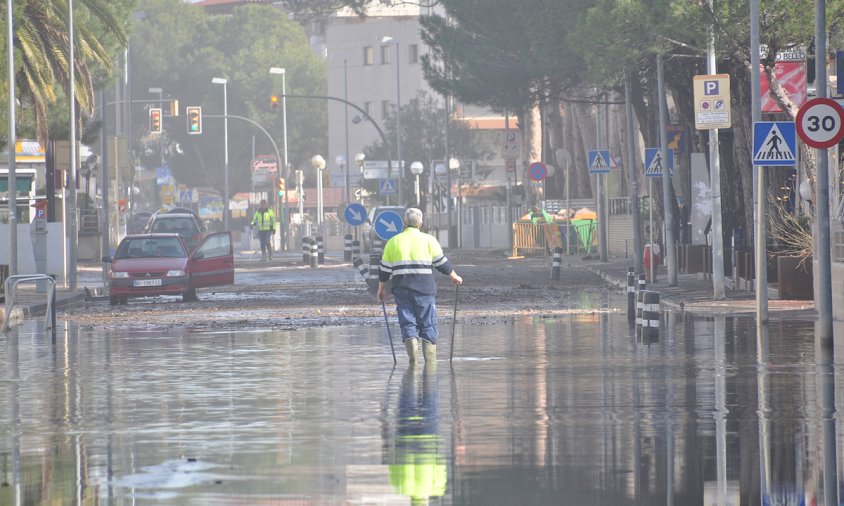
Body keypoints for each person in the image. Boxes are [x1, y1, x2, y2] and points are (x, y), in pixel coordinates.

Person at [377, 208, 462, 364]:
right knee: (428, 323)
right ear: (421, 223)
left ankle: (413, 364)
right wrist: (454, 276)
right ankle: (430, 366)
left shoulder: (393, 242)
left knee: (408, 323)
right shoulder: (429, 240)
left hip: (401, 290)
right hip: (424, 290)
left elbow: (384, 271)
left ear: (404, 222)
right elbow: (441, 263)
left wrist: (381, 290)